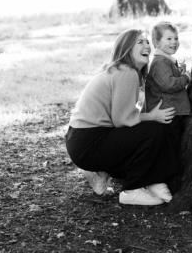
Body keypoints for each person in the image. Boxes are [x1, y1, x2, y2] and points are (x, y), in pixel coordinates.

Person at [65, 29, 183, 206]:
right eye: (140, 42)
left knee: (146, 132)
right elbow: (122, 120)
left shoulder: (120, 71)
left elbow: (124, 114)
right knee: (153, 130)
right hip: (89, 142)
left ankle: (102, 172)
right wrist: (151, 116)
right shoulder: (126, 72)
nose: (147, 46)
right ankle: (132, 189)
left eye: (147, 42)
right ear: (126, 48)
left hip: (79, 140)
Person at [143, 21, 191, 160]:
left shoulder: (166, 60)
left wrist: (179, 70)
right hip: (166, 113)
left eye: (176, 38)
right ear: (156, 43)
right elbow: (168, 84)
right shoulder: (160, 62)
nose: (174, 42)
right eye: (169, 39)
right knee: (169, 144)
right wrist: (185, 78)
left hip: (170, 111)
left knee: (173, 141)